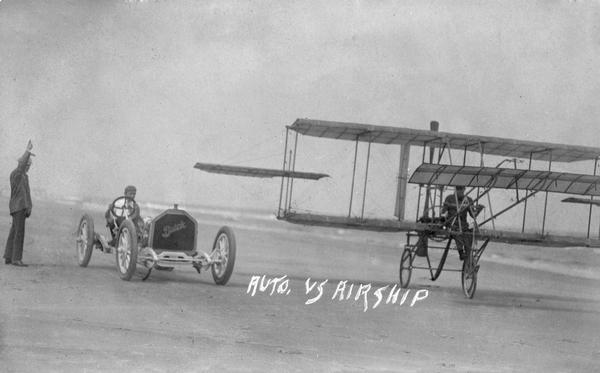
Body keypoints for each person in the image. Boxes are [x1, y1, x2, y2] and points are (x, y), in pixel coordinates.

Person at [4, 140, 34, 267]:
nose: (28, 167)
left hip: (19, 207)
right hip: (18, 207)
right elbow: (21, 164)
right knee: (19, 232)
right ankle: (16, 258)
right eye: (27, 165)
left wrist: (29, 207)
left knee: (14, 231)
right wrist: (27, 151)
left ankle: (8, 256)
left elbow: (27, 194)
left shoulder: (23, 176)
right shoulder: (17, 173)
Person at [441, 185, 481, 260]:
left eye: (461, 189)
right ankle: (461, 252)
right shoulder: (449, 198)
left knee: (467, 235)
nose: (460, 191)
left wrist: (479, 210)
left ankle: (468, 254)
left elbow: (473, 215)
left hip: (463, 225)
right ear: (455, 189)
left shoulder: (468, 200)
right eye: (458, 189)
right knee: (457, 233)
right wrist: (444, 212)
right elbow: (443, 212)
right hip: (452, 224)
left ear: (464, 190)